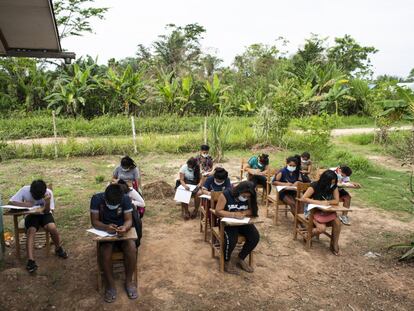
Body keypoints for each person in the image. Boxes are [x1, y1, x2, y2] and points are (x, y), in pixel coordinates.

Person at [90, 184, 139, 303]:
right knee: (105, 252)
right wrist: (106, 227)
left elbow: (128, 220)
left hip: (122, 232)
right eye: (110, 204)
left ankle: (128, 282)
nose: (112, 206)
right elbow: (95, 222)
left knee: (131, 248)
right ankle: (110, 284)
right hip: (105, 232)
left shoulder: (125, 199)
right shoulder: (96, 199)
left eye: (115, 204)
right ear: (104, 197)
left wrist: (125, 228)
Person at [8, 180, 68, 273]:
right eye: (34, 196)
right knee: (31, 231)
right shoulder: (25, 190)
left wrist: (47, 203)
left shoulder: (48, 193)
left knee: (52, 227)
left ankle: (58, 248)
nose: (36, 198)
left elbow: (48, 211)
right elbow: (10, 202)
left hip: (45, 214)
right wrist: (25, 204)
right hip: (31, 215)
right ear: (31, 191)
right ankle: (31, 261)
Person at [215, 181, 260, 274]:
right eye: (244, 196)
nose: (246, 198)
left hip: (242, 222)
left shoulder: (250, 196)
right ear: (238, 191)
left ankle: (241, 258)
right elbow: (218, 211)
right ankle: (226, 261)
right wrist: (233, 214)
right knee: (232, 239)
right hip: (227, 222)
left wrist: (244, 213)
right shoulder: (226, 194)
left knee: (255, 237)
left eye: (247, 197)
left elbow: (253, 211)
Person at [301, 170, 342, 256]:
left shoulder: (333, 187)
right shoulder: (315, 185)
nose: (331, 184)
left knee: (337, 222)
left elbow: (336, 201)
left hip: (326, 212)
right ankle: (307, 235)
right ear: (324, 181)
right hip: (312, 211)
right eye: (330, 183)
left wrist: (328, 202)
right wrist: (319, 202)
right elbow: (304, 198)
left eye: (333, 182)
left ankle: (334, 244)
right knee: (321, 229)